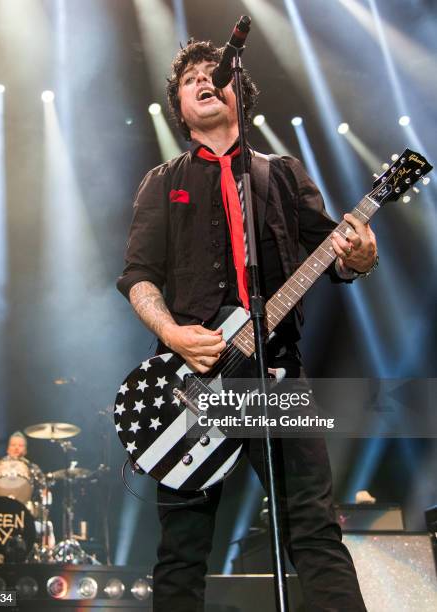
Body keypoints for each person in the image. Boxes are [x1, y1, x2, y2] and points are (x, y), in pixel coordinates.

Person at [117, 40, 377, 612]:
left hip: (277, 376)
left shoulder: (280, 173)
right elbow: (138, 276)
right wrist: (173, 334)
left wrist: (360, 255)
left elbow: (338, 252)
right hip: (195, 378)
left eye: (218, 75)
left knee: (313, 528)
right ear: (179, 107)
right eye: (191, 79)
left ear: (241, 93)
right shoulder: (163, 182)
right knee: (183, 549)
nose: (206, 81)